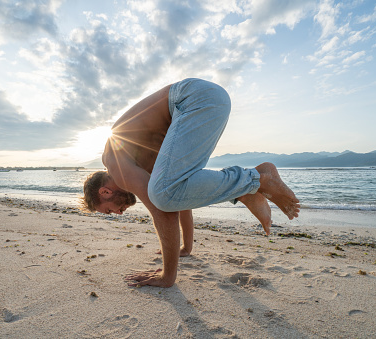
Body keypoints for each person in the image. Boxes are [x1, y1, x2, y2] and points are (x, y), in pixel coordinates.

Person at [82, 78, 300, 288]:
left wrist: (167, 277)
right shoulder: (134, 162)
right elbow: (178, 202)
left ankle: (257, 180)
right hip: (207, 99)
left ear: (105, 191)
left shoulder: (116, 166)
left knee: (162, 195)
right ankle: (246, 189)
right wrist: (185, 247)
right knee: (170, 191)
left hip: (192, 100)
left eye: (109, 211)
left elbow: (163, 212)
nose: (118, 213)